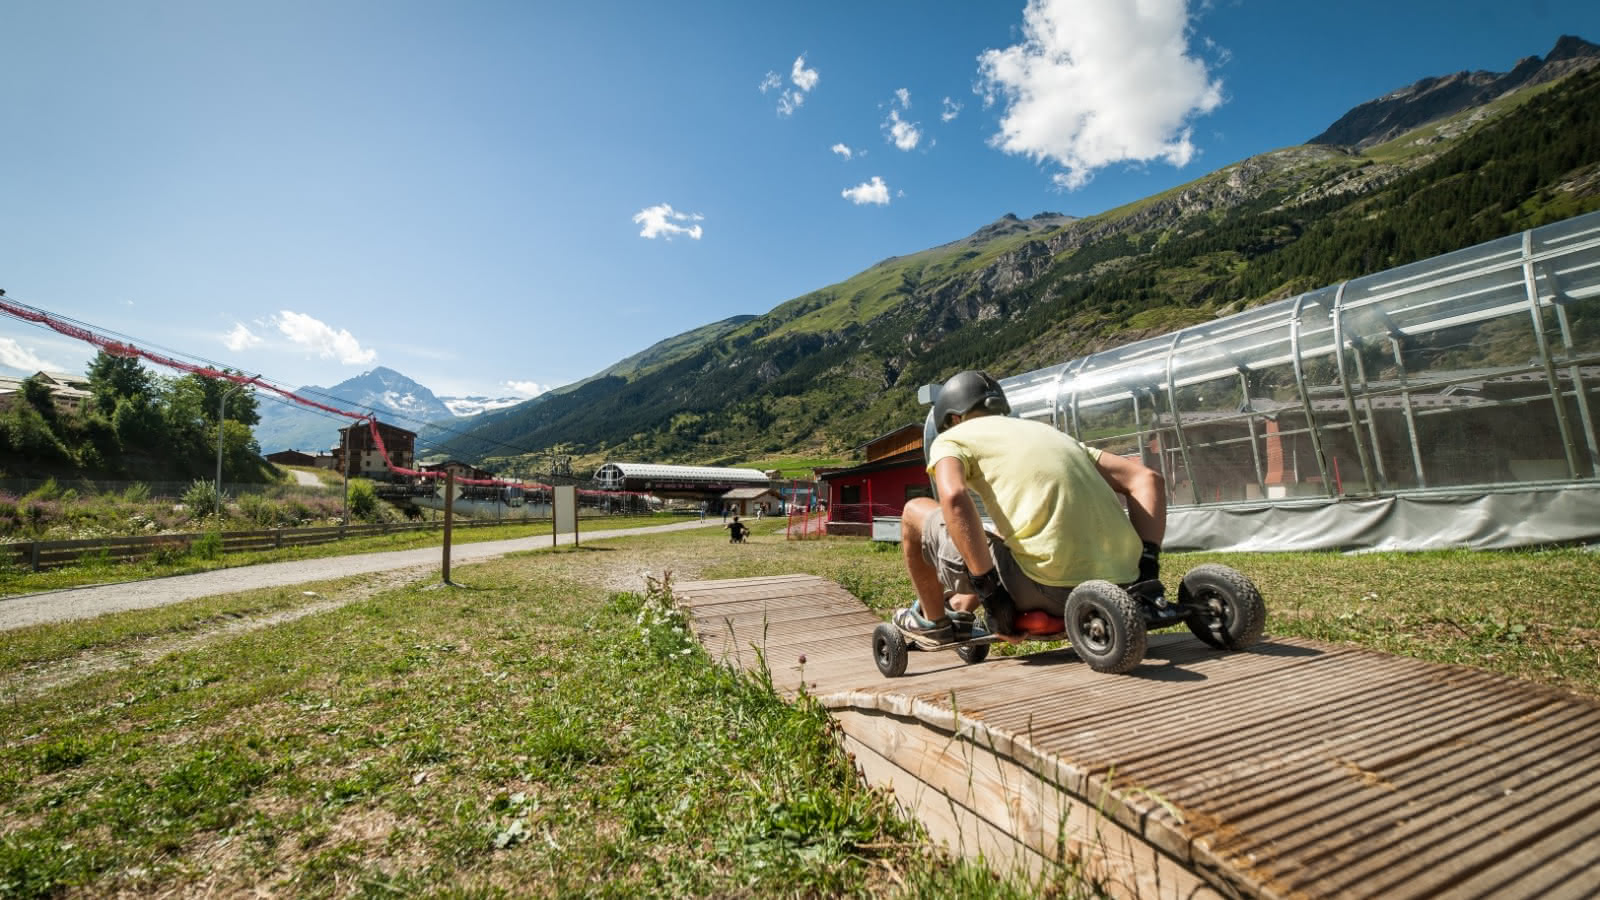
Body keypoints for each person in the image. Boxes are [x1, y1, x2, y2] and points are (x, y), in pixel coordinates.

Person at [894, 370, 1166, 644]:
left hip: (1045, 589)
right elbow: (1146, 479)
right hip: (1125, 586)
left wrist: (992, 597)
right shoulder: (1053, 434)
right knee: (999, 537)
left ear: (953, 418)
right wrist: (1147, 568)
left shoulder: (952, 438)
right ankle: (961, 607)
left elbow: (953, 498)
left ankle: (933, 623)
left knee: (914, 510)